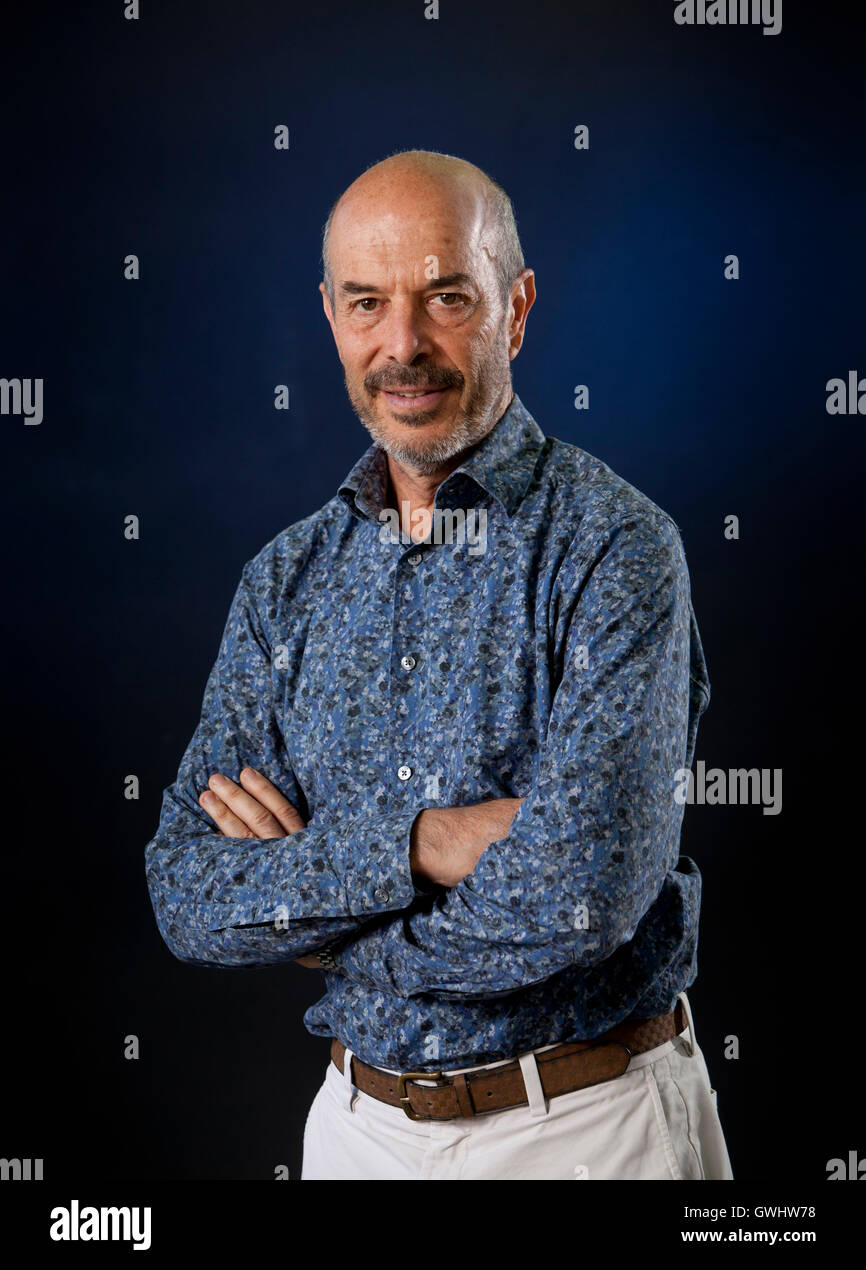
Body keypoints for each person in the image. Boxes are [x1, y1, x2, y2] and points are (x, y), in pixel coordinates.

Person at [144, 149, 733, 1181]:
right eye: (367, 302)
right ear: (330, 317)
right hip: (353, 1130)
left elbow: (580, 895)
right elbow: (190, 891)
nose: (402, 344)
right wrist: (423, 842)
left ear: (515, 305)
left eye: (446, 296)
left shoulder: (616, 548)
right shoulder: (283, 578)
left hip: (585, 1127)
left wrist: (323, 927)